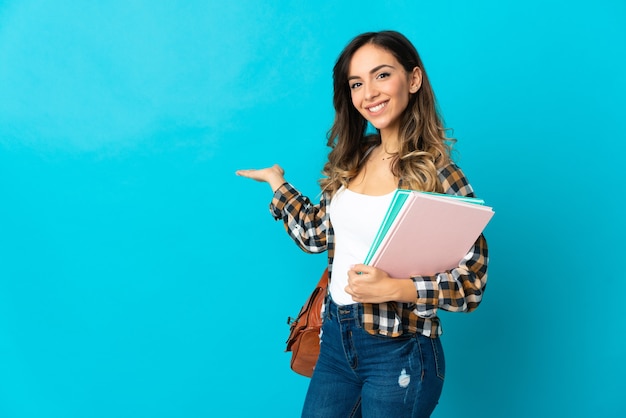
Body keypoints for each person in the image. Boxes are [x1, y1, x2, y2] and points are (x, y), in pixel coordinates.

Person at [236, 30, 488, 418]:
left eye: (382, 75)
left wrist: (396, 287)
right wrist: (278, 184)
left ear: (414, 79)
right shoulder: (352, 158)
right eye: (357, 83)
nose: (368, 92)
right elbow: (317, 235)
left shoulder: (440, 175)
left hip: (399, 351)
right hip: (337, 340)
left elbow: (470, 284)